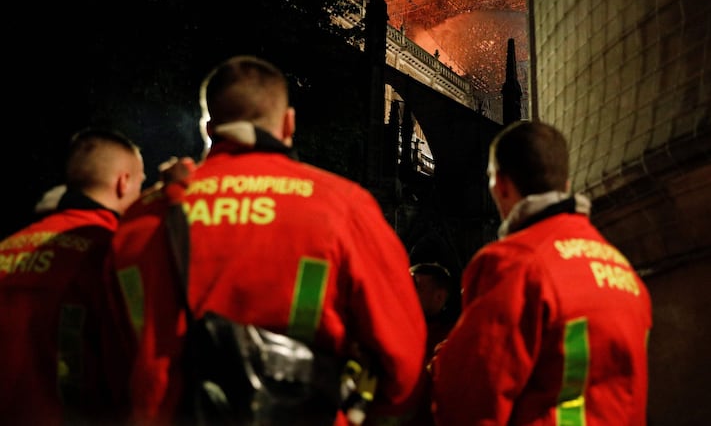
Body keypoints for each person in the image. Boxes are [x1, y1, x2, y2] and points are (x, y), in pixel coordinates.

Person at [109, 55, 427, 425]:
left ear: (209, 129)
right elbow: (404, 358)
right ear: (288, 123)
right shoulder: (341, 206)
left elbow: (107, 356)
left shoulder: (142, 219)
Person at [431, 120, 653, 425]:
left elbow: (469, 402)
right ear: (564, 185)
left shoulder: (512, 263)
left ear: (500, 184)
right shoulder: (621, 268)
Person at [0, 127, 146, 425]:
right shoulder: (113, 251)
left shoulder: (8, 245)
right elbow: (133, 353)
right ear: (123, 182)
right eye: (141, 183)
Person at [405, 262, 456, 426]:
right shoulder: (399, 325)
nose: (407, 292)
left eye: (417, 287)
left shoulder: (449, 339)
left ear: (439, 297)